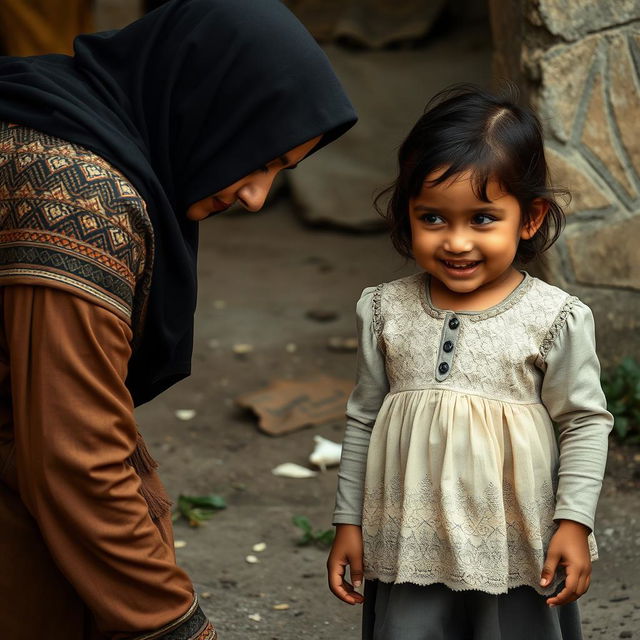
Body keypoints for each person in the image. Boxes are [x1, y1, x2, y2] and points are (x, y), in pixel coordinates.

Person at [0, 1, 356, 638]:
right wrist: (180, 629)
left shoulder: (62, 108)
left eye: (282, 172)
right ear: (204, 104)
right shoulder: (82, 195)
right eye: (260, 158)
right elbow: (76, 458)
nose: (254, 198)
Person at [326, 85, 612, 640]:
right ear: (406, 213)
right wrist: (349, 523)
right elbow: (363, 418)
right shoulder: (385, 310)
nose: (456, 242)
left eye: (483, 218)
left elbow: (583, 422)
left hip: (514, 548)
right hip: (410, 543)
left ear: (530, 219)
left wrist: (574, 522)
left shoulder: (554, 317)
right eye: (433, 218)